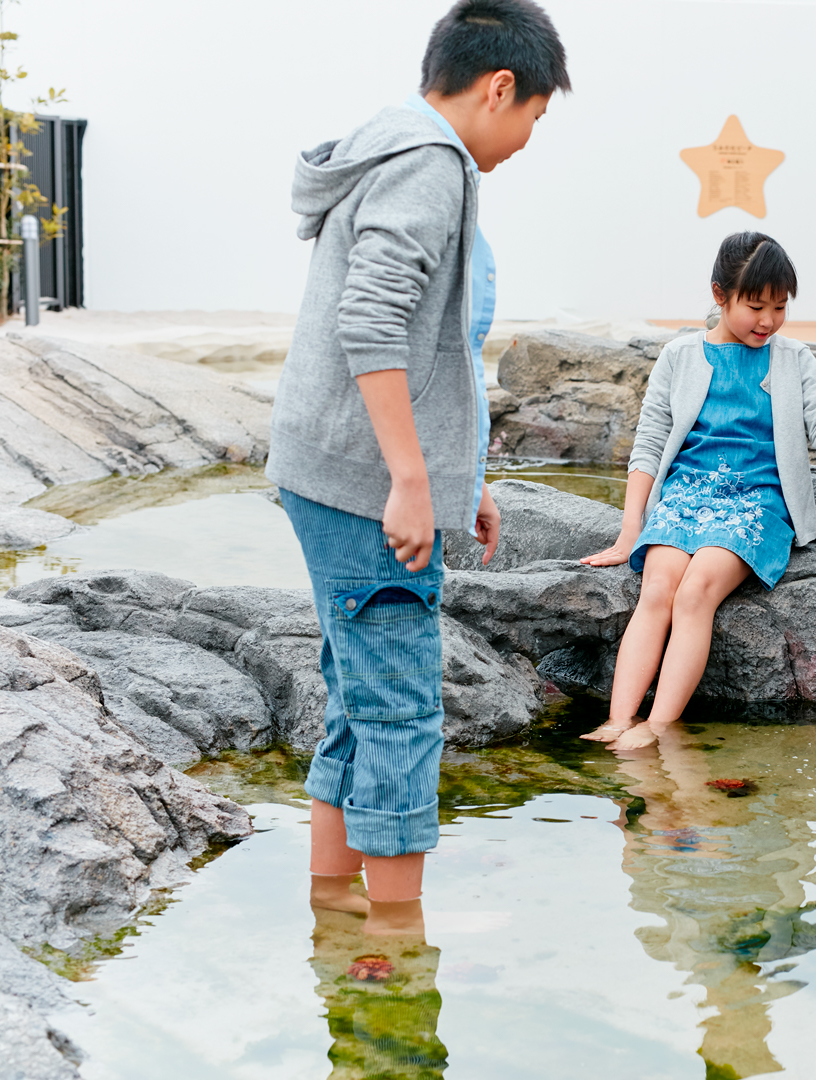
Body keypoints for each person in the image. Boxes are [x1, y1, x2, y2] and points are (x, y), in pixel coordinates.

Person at [265, 0, 569, 935]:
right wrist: (410, 479)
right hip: (363, 483)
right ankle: (397, 951)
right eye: (534, 119)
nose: (526, 141)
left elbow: (440, 351)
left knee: (359, 702)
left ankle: (331, 909)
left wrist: (458, 474)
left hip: (328, 470)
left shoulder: (388, 150)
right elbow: (373, 322)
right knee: (399, 708)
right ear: (499, 86)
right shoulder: (429, 166)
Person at [579, 233, 816, 751]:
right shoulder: (679, 355)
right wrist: (632, 531)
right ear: (720, 295)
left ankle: (658, 727)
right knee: (658, 588)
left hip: (757, 502)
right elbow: (648, 443)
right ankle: (619, 718)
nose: (768, 321)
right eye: (755, 306)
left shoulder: (795, 359)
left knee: (696, 594)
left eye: (780, 307)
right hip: (686, 496)